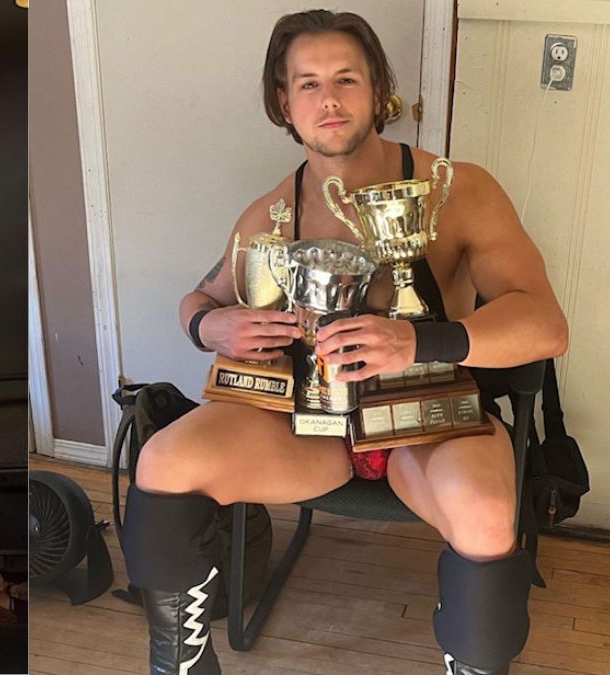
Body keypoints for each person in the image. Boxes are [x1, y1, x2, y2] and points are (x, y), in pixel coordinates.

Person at [121, 10, 568, 675]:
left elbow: (545, 325)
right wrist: (208, 326)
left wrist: (417, 343)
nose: (327, 99)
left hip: (431, 423)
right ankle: (178, 667)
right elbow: (202, 297)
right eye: (307, 84)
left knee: (485, 509)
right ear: (284, 102)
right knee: (161, 461)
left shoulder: (459, 190)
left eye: (345, 79)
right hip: (313, 432)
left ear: (377, 89)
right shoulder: (272, 209)